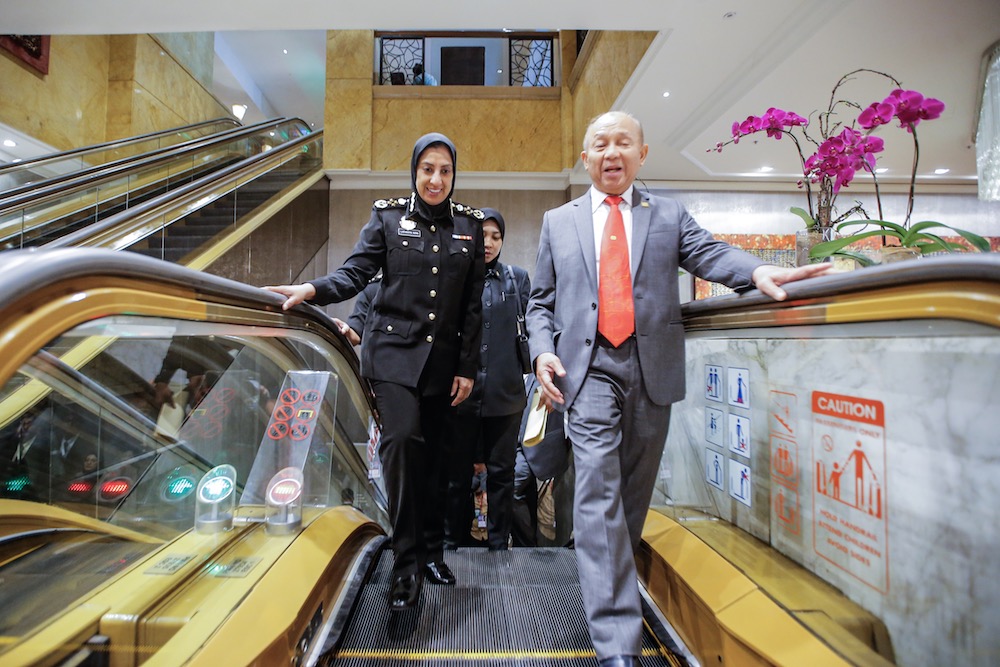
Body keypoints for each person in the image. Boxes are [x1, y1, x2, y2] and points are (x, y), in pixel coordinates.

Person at [525, 111, 833, 667]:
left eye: (623, 143)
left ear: (642, 154)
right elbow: (540, 302)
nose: (611, 152)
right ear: (585, 156)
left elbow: (710, 253)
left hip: (652, 368)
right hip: (586, 370)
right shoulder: (558, 221)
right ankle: (618, 642)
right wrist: (542, 349)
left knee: (632, 500)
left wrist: (757, 272)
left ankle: (611, 574)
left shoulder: (666, 214)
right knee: (596, 494)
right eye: (600, 144)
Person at [264, 132, 485, 611]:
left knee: (435, 464)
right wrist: (313, 289)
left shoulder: (469, 226)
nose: (436, 178)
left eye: (445, 170)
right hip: (391, 358)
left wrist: (467, 366)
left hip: (442, 365)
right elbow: (355, 272)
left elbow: (470, 307)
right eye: (428, 168)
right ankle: (406, 565)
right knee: (403, 445)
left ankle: (430, 551)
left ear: (453, 175)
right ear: (414, 171)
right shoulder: (387, 217)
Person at [442, 208, 530, 551]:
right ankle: (452, 543)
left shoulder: (517, 278)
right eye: (483, 235)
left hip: (505, 394)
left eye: (496, 236)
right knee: (456, 475)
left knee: (502, 475)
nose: (489, 242)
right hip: (460, 395)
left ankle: (497, 544)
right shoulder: (456, 278)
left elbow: (534, 324)